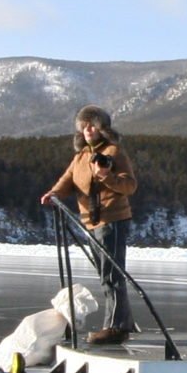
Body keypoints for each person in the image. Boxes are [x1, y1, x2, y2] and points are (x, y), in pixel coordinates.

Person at [41, 105, 140, 346]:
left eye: (92, 124)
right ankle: (122, 322)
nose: (87, 129)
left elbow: (129, 186)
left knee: (112, 275)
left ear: (102, 128)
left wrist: (106, 175)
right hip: (91, 222)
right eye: (84, 125)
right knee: (105, 274)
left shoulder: (114, 152)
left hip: (112, 220)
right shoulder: (81, 157)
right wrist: (53, 194)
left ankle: (116, 327)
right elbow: (66, 181)